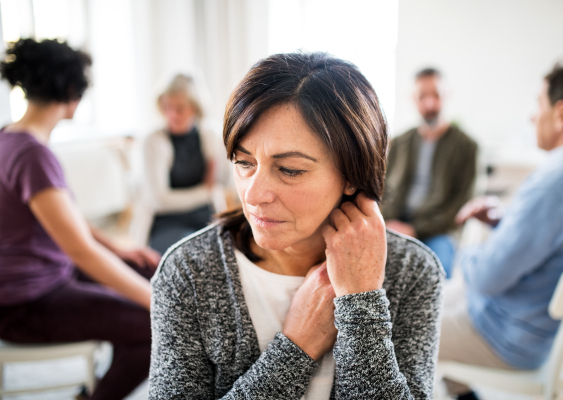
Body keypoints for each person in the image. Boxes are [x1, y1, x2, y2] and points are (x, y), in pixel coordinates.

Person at [149, 52, 444, 399]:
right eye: (244, 162)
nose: (254, 195)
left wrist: (360, 302)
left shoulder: (413, 271)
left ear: (352, 174)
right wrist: (296, 347)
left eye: (289, 170)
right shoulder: (189, 271)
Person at [0, 38, 160, 400]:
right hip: (25, 304)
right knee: (157, 325)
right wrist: (154, 302)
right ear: (72, 90)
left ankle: (118, 353)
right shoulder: (31, 155)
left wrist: (118, 246)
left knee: (152, 270)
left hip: (42, 280)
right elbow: (80, 251)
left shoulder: (11, 137)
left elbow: (66, 221)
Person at [439, 54, 563, 400]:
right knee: (438, 298)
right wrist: (505, 221)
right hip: (549, 331)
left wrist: (467, 247)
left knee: (403, 326)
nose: (532, 116)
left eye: (538, 105)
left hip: (509, 337)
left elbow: (484, 278)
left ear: (562, 115)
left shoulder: (554, 185)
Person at [381, 68, 478, 278]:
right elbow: (383, 190)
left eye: (435, 95)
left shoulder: (466, 147)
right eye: (422, 96)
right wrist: (387, 223)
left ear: (447, 94)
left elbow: (461, 206)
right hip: (395, 223)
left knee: (435, 275)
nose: (429, 104)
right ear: (413, 99)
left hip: (438, 231)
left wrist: (415, 229)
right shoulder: (399, 143)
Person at [131, 74, 224, 254]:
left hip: (205, 216)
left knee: (224, 253)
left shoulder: (212, 135)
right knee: (190, 254)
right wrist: (206, 191)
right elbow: (160, 200)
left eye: (180, 108)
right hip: (166, 221)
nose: (172, 115)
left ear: (195, 108)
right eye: (167, 107)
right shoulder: (151, 140)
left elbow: (225, 182)